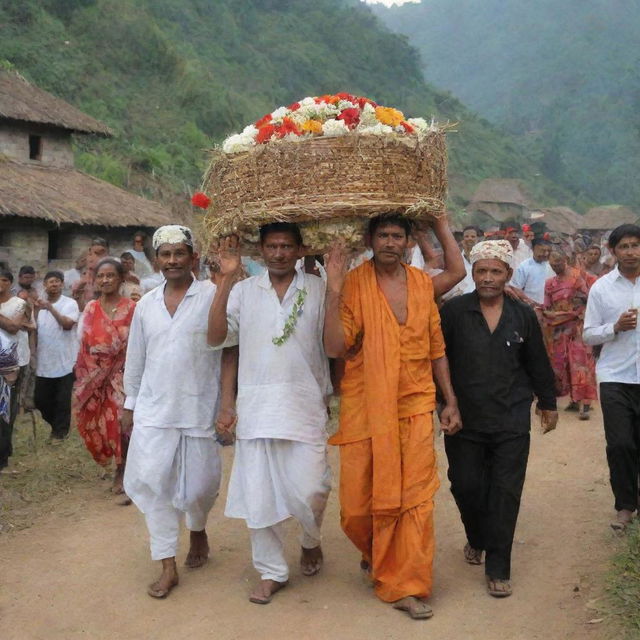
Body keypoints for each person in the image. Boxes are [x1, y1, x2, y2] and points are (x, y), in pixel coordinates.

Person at [323, 213, 462, 620]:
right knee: (357, 508)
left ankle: (406, 584)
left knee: (415, 499)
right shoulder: (353, 283)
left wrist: (448, 401)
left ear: (407, 242)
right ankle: (376, 554)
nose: (389, 242)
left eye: (396, 235)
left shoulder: (422, 283)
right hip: (366, 408)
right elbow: (335, 347)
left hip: (416, 404)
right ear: (370, 239)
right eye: (382, 234)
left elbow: (436, 347)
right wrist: (333, 290)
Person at [208, 222, 332, 606]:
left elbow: (334, 345)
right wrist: (226, 280)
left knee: (314, 487)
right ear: (260, 251)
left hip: (306, 404)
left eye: (287, 246)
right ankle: (271, 571)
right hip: (257, 407)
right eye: (272, 247)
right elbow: (219, 342)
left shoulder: (318, 289)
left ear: (299, 250)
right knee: (260, 494)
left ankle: (310, 538)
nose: (279, 253)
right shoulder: (244, 291)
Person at [439, 240, 558, 598]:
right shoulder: (454, 312)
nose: (488, 278)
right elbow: (438, 361)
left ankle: (498, 566)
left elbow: (537, 360)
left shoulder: (522, 314)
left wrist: (547, 402)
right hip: (465, 420)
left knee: (505, 492)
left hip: (510, 419)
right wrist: (445, 404)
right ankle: (476, 536)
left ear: (508, 274)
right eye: (481, 271)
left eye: (496, 271)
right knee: (466, 485)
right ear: (473, 274)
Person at [123, 225, 222, 598]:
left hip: (199, 408)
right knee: (154, 485)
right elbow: (136, 359)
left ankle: (198, 528)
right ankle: (167, 563)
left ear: (193, 257)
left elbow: (228, 349)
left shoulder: (213, 296)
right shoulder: (146, 305)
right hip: (154, 410)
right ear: (157, 261)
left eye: (179, 253)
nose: (172, 261)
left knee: (200, 486)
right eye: (165, 255)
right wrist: (130, 405)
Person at [583, 224, 640, 531]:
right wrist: (614, 327)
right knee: (620, 444)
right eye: (624, 247)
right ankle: (625, 505)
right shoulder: (602, 288)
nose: (631, 252)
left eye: (635, 245)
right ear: (613, 251)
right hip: (615, 375)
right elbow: (588, 335)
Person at [74, 259, 136, 501]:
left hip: (123, 375)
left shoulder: (133, 308)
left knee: (122, 423)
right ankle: (119, 466)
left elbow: (139, 345)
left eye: (111, 275)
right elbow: (83, 344)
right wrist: (86, 379)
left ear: (121, 278)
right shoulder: (90, 308)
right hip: (93, 377)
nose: (105, 280)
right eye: (101, 276)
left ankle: (123, 472)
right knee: (99, 426)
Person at [543, 250, 597, 420]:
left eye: (558, 264)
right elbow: (547, 306)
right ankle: (574, 400)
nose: (556, 267)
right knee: (562, 365)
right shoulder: (550, 283)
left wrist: (569, 314)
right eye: (552, 265)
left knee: (581, 365)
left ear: (565, 260)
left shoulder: (576, 278)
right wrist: (551, 316)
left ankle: (585, 405)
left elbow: (585, 300)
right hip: (558, 330)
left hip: (576, 329)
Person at [34, 271, 80, 442]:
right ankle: (54, 426)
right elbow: (35, 330)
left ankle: (60, 433)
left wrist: (51, 308)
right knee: (40, 399)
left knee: (62, 400)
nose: (53, 284)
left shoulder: (70, 304)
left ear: (62, 284)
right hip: (44, 362)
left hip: (65, 361)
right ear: (45, 285)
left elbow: (67, 325)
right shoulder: (38, 308)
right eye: (50, 281)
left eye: (57, 281)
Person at [0, 270, 27, 471]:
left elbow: (13, 327)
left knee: (5, 410)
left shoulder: (19, 303)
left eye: (3, 280)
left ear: (9, 283)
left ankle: (3, 456)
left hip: (10, 364)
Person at [510, 237, 553, 306]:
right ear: (533, 249)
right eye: (543, 251)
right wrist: (531, 303)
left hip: (552, 307)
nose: (546, 254)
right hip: (532, 307)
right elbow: (516, 288)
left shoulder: (553, 264)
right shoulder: (524, 266)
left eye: (548, 251)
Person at [460, 225, 483, 293]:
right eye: (466, 236)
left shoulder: (484, 256)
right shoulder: (457, 258)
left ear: (477, 239)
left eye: (473, 236)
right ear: (463, 239)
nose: (469, 238)